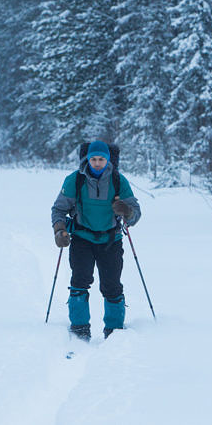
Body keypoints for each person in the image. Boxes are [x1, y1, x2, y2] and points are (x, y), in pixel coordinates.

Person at [51, 140, 141, 340]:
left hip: (111, 239)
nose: (97, 163)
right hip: (82, 239)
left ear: (107, 159)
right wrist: (60, 230)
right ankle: (80, 330)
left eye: (101, 159)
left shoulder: (118, 181)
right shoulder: (75, 180)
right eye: (93, 159)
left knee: (112, 285)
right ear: (87, 159)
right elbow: (59, 209)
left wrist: (127, 211)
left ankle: (114, 332)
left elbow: (135, 215)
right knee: (79, 282)